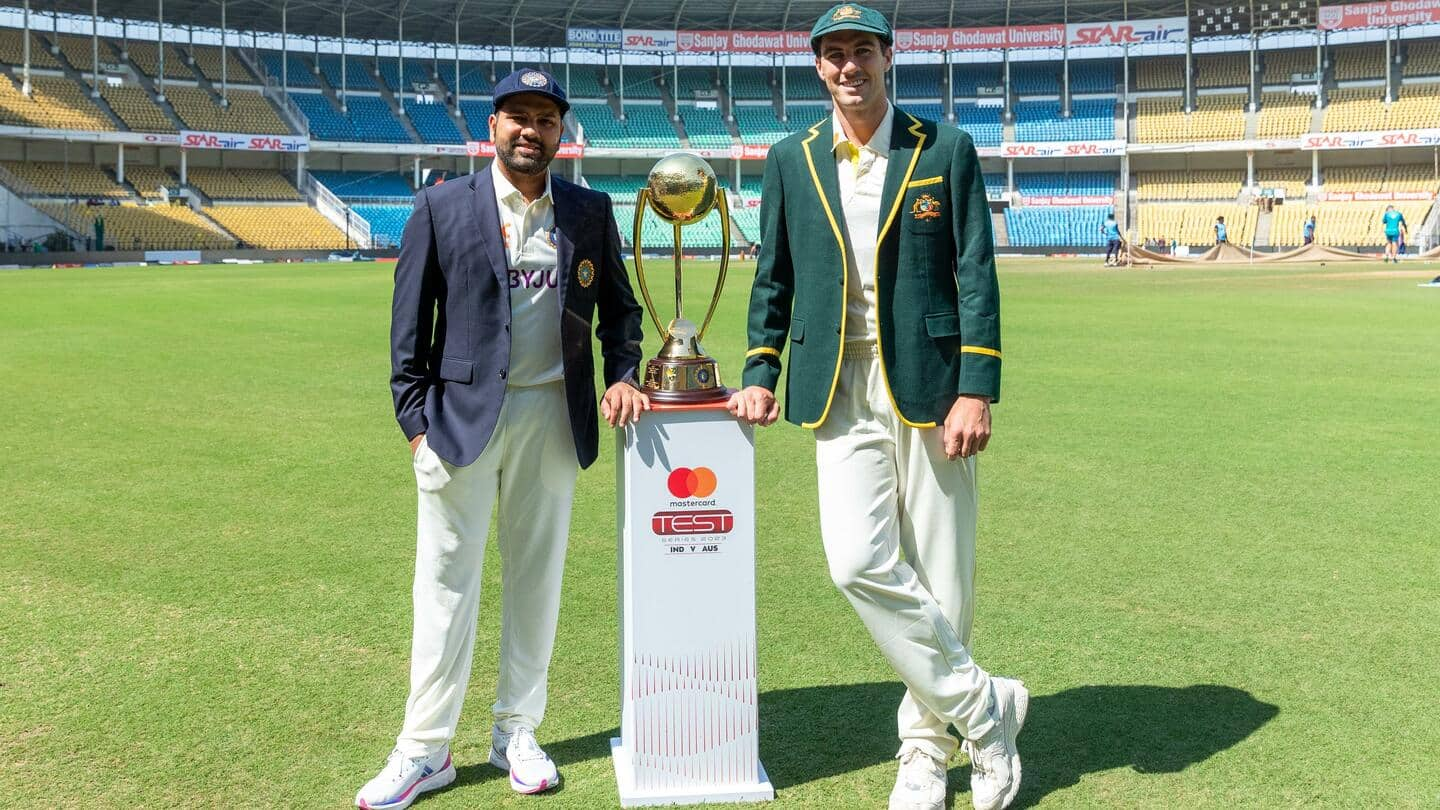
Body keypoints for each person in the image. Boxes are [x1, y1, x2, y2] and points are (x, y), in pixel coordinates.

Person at [728, 6, 1026, 810]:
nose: (848, 65)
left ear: (889, 58)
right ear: (818, 68)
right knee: (855, 561)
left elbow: (975, 272)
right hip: (837, 383)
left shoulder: (945, 147)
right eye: (833, 54)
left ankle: (925, 753)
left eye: (862, 50)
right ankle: (986, 712)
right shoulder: (791, 158)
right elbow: (775, 277)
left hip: (932, 387)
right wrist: (761, 367)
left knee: (942, 572)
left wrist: (976, 386)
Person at [357, 68, 648, 810]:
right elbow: (407, 334)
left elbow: (621, 310)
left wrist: (622, 374)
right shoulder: (440, 207)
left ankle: (516, 731)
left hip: (552, 418)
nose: (531, 131)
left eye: (546, 120)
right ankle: (425, 749)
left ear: (561, 134)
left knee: (536, 584)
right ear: (492, 128)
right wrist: (416, 425)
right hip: (458, 424)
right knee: (445, 587)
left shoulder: (586, 209)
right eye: (517, 117)